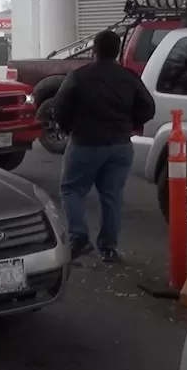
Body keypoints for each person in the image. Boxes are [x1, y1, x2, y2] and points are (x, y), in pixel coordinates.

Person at [52, 30, 155, 263]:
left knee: (72, 190)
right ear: (117, 50)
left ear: (94, 50)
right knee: (112, 196)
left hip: (85, 143)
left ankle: (79, 237)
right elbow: (148, 107)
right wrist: (129, 123)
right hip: (119, 144)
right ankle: (108, 248)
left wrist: (70, 129)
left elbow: (59, 107)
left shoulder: (78, 76)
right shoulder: (129, 77)